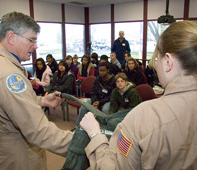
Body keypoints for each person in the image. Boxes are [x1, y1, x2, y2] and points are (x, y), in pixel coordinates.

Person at [80, 20, 197, 169]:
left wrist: (95, 135)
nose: (155, 65)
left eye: (157, 59)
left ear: (168, 62)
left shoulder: (144, 117)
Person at [0, 12, 73, 170]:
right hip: (20, 157)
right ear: (11, 37)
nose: (35, 46)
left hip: (7, 151)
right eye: (31, 40)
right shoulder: (8, 75)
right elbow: (38, 129)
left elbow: (7, 104)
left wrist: (41, 100)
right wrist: (81, 144)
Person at [75, 62, 116, 127]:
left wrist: (99, 102)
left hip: (107, 100)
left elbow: (111, 96)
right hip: (97, 99)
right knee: (84, 106)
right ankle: (77, 126)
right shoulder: (97, 79)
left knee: (105, 109)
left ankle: (104, 127)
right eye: (100, 70)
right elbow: (93, 92)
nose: (101, 72)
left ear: (108, 70)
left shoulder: (113, 80)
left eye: (103, 71)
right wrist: (95, 101)